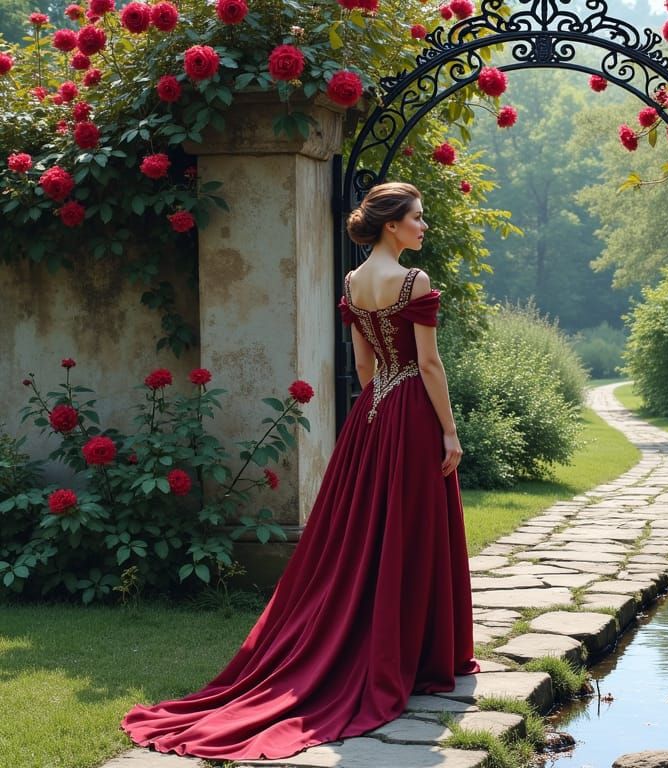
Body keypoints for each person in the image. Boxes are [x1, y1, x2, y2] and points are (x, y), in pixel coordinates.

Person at [121, 181, 480, 760]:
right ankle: (420, 656)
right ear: (393, 225)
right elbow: (430, 363)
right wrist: (448, 430)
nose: (423, 226)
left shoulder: (353, 283)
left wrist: (379, 414)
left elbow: (364, 363)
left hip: (375, 413)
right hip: (412, 409)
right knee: (411, 529)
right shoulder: (414, 281)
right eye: (417, 218)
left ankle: (397, 646)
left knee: (371, 532)